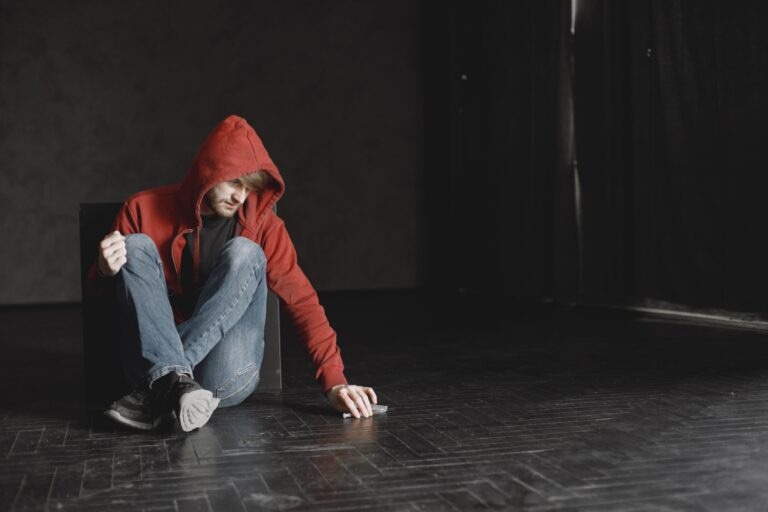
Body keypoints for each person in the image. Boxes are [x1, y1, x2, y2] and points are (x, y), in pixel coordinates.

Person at [90, 114, 377, 431]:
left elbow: (303, 301)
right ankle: (174, 386)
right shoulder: (141, 209)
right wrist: (104, 271)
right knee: (135, 245)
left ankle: (164, 384)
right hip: (144, 361)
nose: (240, 197)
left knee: (246, 252)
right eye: (234, 183)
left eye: (249, 188)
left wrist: (335, 381)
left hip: (222, 373)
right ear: (207, 172)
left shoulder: (265, 227)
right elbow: (104, 305)